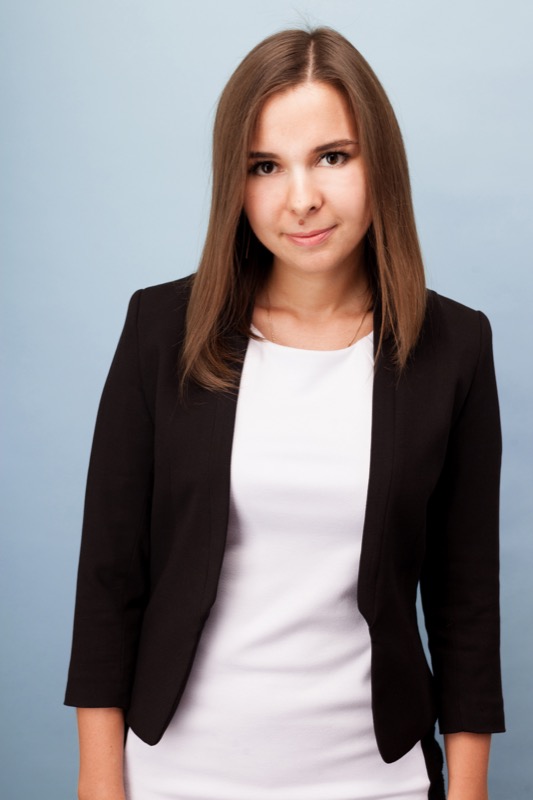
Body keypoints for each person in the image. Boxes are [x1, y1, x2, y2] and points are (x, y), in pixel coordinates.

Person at [65, 27, 505, 800]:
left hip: (376, 781)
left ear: (379, 163)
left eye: (332, 156)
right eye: (264, 166)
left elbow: (464, 606)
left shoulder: (454, 347)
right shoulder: (160, 331)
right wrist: (100, 787)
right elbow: (108, 582)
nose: (301, 198)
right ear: (233, 185)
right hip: (178, 777)